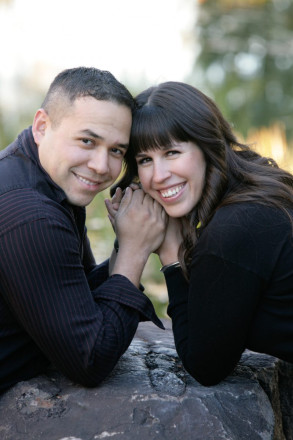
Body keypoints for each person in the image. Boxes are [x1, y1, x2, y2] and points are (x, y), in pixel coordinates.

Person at [107, 81, 293, 386]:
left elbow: (205, 366)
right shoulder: (254, 188)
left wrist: (170, 256)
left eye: (172, 152)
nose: (159, 175)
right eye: (145, 160)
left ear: (206, 145)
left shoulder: (233, 231)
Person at [0, 67, 166, 394]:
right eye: (87, 141)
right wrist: (134, 251)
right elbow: (91, 361)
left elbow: (78, 297)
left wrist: (126, 242)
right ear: (42, 126)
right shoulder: (32, 216)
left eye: (117, 150)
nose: (102, 166)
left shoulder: (43, 174)